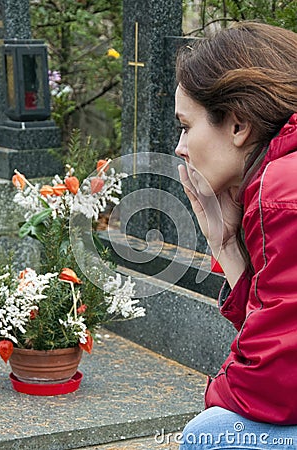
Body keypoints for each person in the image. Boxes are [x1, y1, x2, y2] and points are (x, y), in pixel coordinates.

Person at [175, 21, 297, 449]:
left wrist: (212, 401)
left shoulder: (281, 186)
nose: (179, 148)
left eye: (187, 126)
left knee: (209, 436)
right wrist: (226, 246)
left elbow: (272, 385)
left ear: (238, 125)